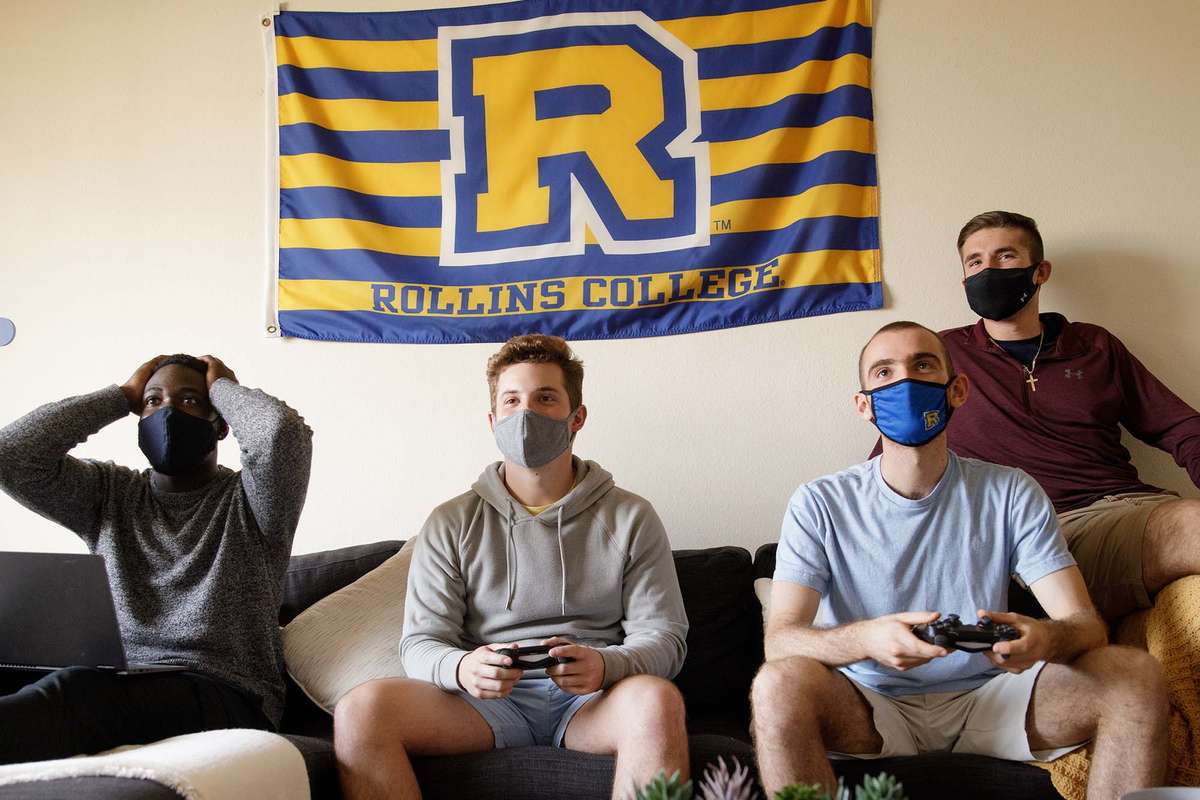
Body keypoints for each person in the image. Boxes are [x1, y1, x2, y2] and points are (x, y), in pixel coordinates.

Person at [753, 321, 1167, 797]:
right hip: (871, 703)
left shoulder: (1010, 490)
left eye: (923, 365)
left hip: (990, 697)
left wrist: (1045, 638)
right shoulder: (819, 502)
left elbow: (1086, 625)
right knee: (777, 684)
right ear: (864, 404)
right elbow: (780, 642)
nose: (905, 383)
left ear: (958, 390)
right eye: (884, 372)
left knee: (1134, 675)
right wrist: (867, 638)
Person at [334, 334, 689, 800]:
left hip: (593, 701)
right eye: (512, 400)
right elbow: (420, 642)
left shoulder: (631, 516)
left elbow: (666, 637)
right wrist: (462, 669)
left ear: (576, 416)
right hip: (483, 705)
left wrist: (606, 664)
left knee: (657, 700)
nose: (526, 414)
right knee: (361, 709)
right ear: (493, 419)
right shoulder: (450, 521)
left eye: (545, 398)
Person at [0, 354, 312, 764]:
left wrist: (223, 387)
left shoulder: (255, 502)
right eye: (153, 401)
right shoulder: (109, 494)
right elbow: (11, 456)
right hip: (117, 677)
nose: (167, 413)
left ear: (219, 423)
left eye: (188, 401)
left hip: (225, 690)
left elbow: (281, 434)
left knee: (78, 693)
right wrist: (120, 396)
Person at [942, 210, 1200, 620]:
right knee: (1193, 525)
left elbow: (1181, 426)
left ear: (1040, 271)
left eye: (1005, 256)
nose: (987, 270)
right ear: (964, 279)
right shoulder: (943, 357)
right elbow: (894, 454)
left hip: (1139, 507)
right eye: (975, 262)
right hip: (1052, 533)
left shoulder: (1094, 344)